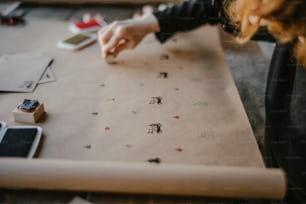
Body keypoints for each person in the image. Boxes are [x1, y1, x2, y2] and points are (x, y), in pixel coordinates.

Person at [97, 0, 306, 203]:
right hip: (272, 169)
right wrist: (152, 21)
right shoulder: (289, 21)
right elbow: (219, 8)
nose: (250, 16)